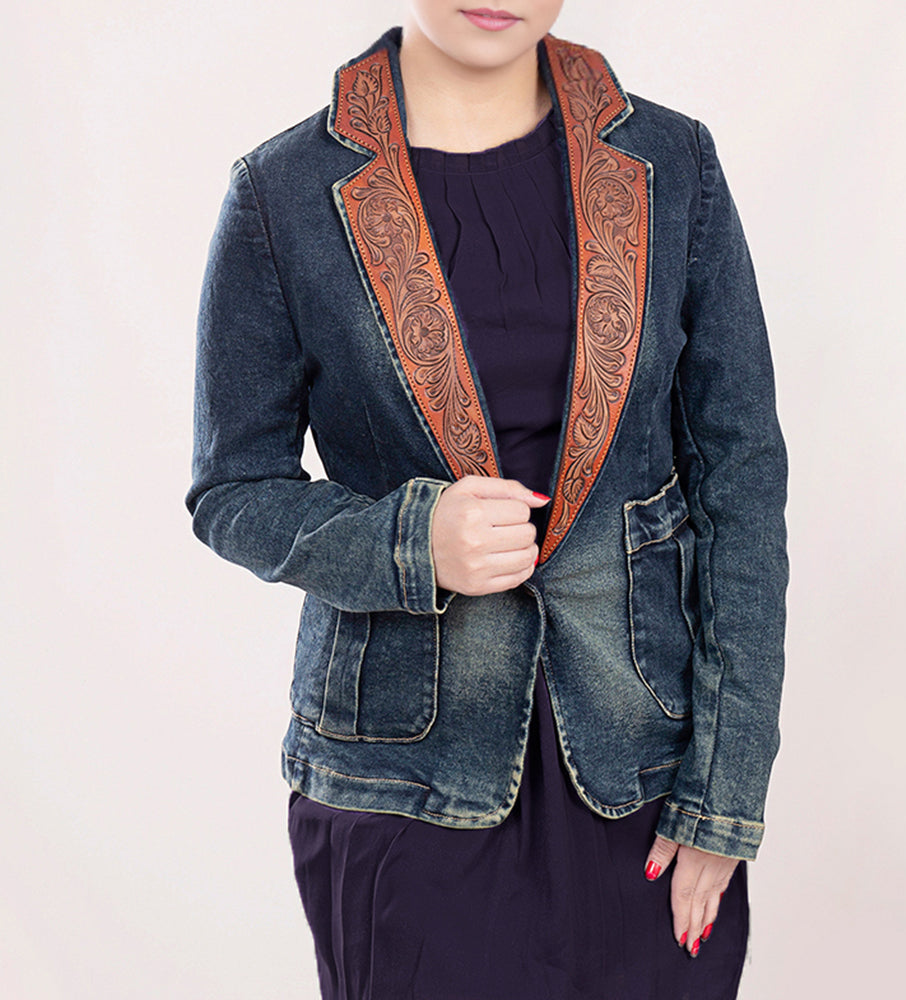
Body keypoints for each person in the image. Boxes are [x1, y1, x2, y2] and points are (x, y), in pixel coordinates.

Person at [185, 2, 789, 997]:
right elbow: (233, 489)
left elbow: (740, 476)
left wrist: (725, 792)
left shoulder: (669, 162)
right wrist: (409, 541)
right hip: (403, 788)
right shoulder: (283, 191)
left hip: (644, 771)